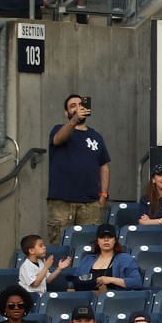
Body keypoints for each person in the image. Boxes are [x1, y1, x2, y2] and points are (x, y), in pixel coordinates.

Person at [47, 93, 110, 234]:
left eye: (80, 105)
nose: (77, 108)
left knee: (88, 246)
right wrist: (75, 120)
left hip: (91, 203)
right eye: (72, 106)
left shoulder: (96, 136)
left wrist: (103, 195)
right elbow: (58, 139)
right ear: (66, 112)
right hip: (62, 202)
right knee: (61, 245)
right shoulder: (58, 129)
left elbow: (104, 166)